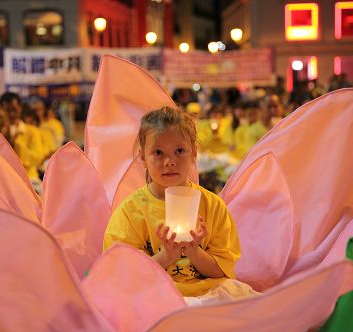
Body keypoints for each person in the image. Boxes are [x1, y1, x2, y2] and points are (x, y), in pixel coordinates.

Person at [103, 106, 256, 305]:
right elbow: (128, 276)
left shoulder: (212, 206)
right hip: (155, 296)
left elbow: (223, 270)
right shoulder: (130, 211)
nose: (169, 161)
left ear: (193, 152)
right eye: (158, 152)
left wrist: (194, 251)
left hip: (209, 294)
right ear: (143, 157)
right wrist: (166, 256)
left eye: (179, 151)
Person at [0, 92, 44, 192]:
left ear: (20, 108)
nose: (11, 114)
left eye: (14, 110)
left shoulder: (32, 131)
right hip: (3, 180)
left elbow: (37, 157)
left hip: (29, 179)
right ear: (1, 110)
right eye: (7, 110)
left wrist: (17, 144)